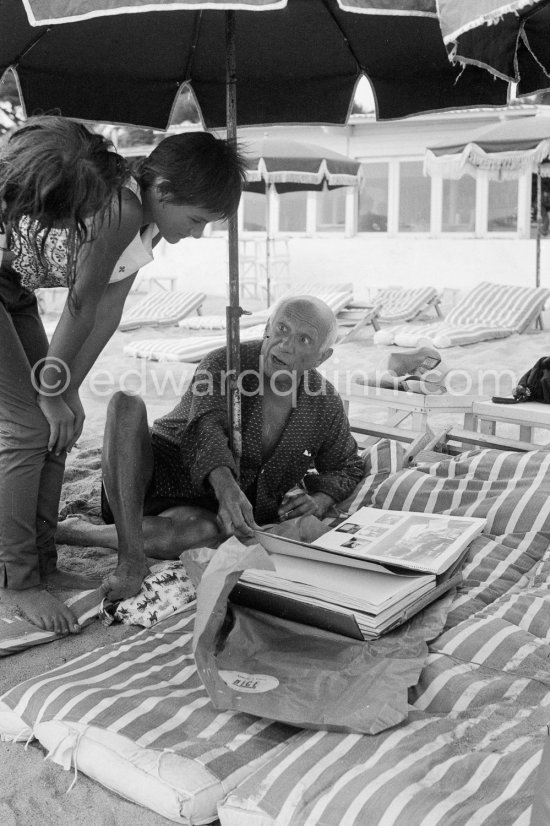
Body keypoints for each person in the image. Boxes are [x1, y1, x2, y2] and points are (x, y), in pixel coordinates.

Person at [0, 115, 247, 635]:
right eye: (198, 219)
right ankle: (18, 578)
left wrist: (64, 394)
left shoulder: (144, 221)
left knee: (58, 427)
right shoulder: (122, 204)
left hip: (13, 290)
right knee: (26, 428)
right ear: (162, 187)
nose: (199, 234)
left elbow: (108, 311)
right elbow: (79, 304)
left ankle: (43, 560)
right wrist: (48, 397)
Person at [57, 296, 365, 601]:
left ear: (322, 357)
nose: (285, 344)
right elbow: (206, 429)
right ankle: (131, 558)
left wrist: (321, 499)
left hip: (201, 512)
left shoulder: (324, 402)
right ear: (267, 327)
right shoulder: (223, 363)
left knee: (204, 534)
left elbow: (347, 465)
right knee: (125, 403)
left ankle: (77, 532)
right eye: (282, 329)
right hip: (143, 481)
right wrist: (226, 487)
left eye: (304, 339)